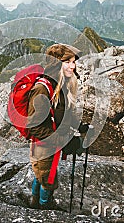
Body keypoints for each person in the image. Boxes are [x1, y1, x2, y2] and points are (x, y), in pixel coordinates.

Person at [27, 43, 90, 210]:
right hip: (44, 145)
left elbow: (60, 113)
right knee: (48, 178)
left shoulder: (59, 85)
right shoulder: (42, 89)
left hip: (50, 145)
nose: (73, 65)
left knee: (42, 174)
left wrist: (78, 126)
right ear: (56, 63)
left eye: (73, 61)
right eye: (67, 61)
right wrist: (62, 140)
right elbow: (33, 126)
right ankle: (45, 208)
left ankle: (34, 203)